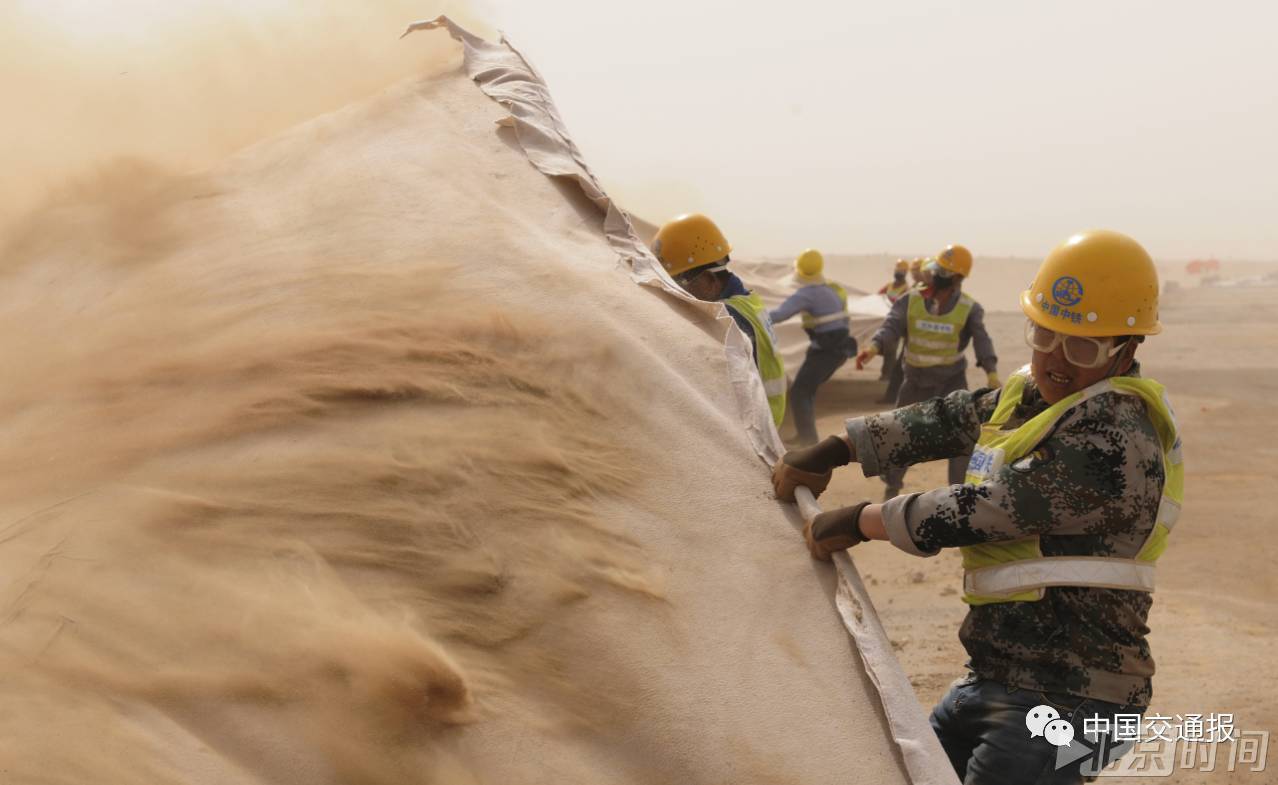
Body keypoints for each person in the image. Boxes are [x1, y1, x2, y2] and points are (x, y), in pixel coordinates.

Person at [771, 230, 1181, 785]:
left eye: (1081, 348)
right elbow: (952, 416)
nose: (1055, 360)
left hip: (1077, 696)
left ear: (1127, 348)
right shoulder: (1035, 395)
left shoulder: (1117, 437)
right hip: (996, 675)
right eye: (1045, 336)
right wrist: (843, 446)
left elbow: (994, 507)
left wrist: (864, 520)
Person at [855, 244, 998, 498]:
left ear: (956, 278)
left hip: (951, 383)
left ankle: (959, 494)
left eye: (941, 272)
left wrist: (991, 372)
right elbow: (891, 327)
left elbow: (982, 340)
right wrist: (874, 347)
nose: (934, 276)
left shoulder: (969, 308)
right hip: (915, 382)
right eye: (935, 270)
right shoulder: (910, 300)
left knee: (961, 438)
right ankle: (893, 486)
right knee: (899, 434)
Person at [652, 213, 787, 426]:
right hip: (767, 417)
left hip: (753, 426)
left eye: (680, 284)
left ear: (709, 279)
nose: (676, 293)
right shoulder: (748, 300)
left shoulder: (727, 318)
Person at [769, 249, 856, 446]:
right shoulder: (833, 289)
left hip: (825, 350)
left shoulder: (807, 294)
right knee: (806, 391)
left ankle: (808, 439)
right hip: (838, 349)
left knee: (800, 391)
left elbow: (780, 315)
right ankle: (805, 435)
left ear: (799, 272)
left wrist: (753, 316)